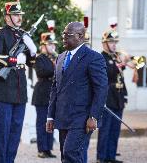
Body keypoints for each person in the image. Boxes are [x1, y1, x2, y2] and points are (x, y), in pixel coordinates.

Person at [46, 22, 108, 163]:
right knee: (65, 156)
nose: (64, 37)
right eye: (63, 34)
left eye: (68, 35)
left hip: (82, 118)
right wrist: (50, 116)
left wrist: (94, 116)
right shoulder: (61, 57)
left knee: (71, 152)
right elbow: (55, 89)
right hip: (63, 116)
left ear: (80, 36)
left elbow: (101, 88)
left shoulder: (93, 57)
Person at [0, 0, 37, 163]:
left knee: (16, 130)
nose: (19, 18)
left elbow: (32, 63)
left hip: (19, 89)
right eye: (16, 15)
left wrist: (32, 52)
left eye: (20, 15)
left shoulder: (23, 35)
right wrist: (15, 60)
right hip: (3, 89)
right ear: (7, 17)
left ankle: (10, 160)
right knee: (4, 129)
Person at [96, 30, 128, 163]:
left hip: (118, 98)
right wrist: (118, 65)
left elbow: (121, 78)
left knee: (115, 129)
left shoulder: (115, 57)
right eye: (111, 42)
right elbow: (107, 74)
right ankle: (102, 157)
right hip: (107, 97)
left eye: (115, 42)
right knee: (105, 129)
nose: (114, 45)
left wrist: (125, 95)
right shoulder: (101, 57)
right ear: (104, 43)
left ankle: (111, 156)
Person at [32, 20, 57, 158]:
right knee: (42, 122)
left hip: (52, 94)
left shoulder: (54, 58)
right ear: (43, 45)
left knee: (50, 122)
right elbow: (42, 72)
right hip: (42, 93)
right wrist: (55, 66)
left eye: (53, 44)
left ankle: (48, 148)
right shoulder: (40, 58)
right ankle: (42, 149)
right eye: (50, 44)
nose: (53, 47)